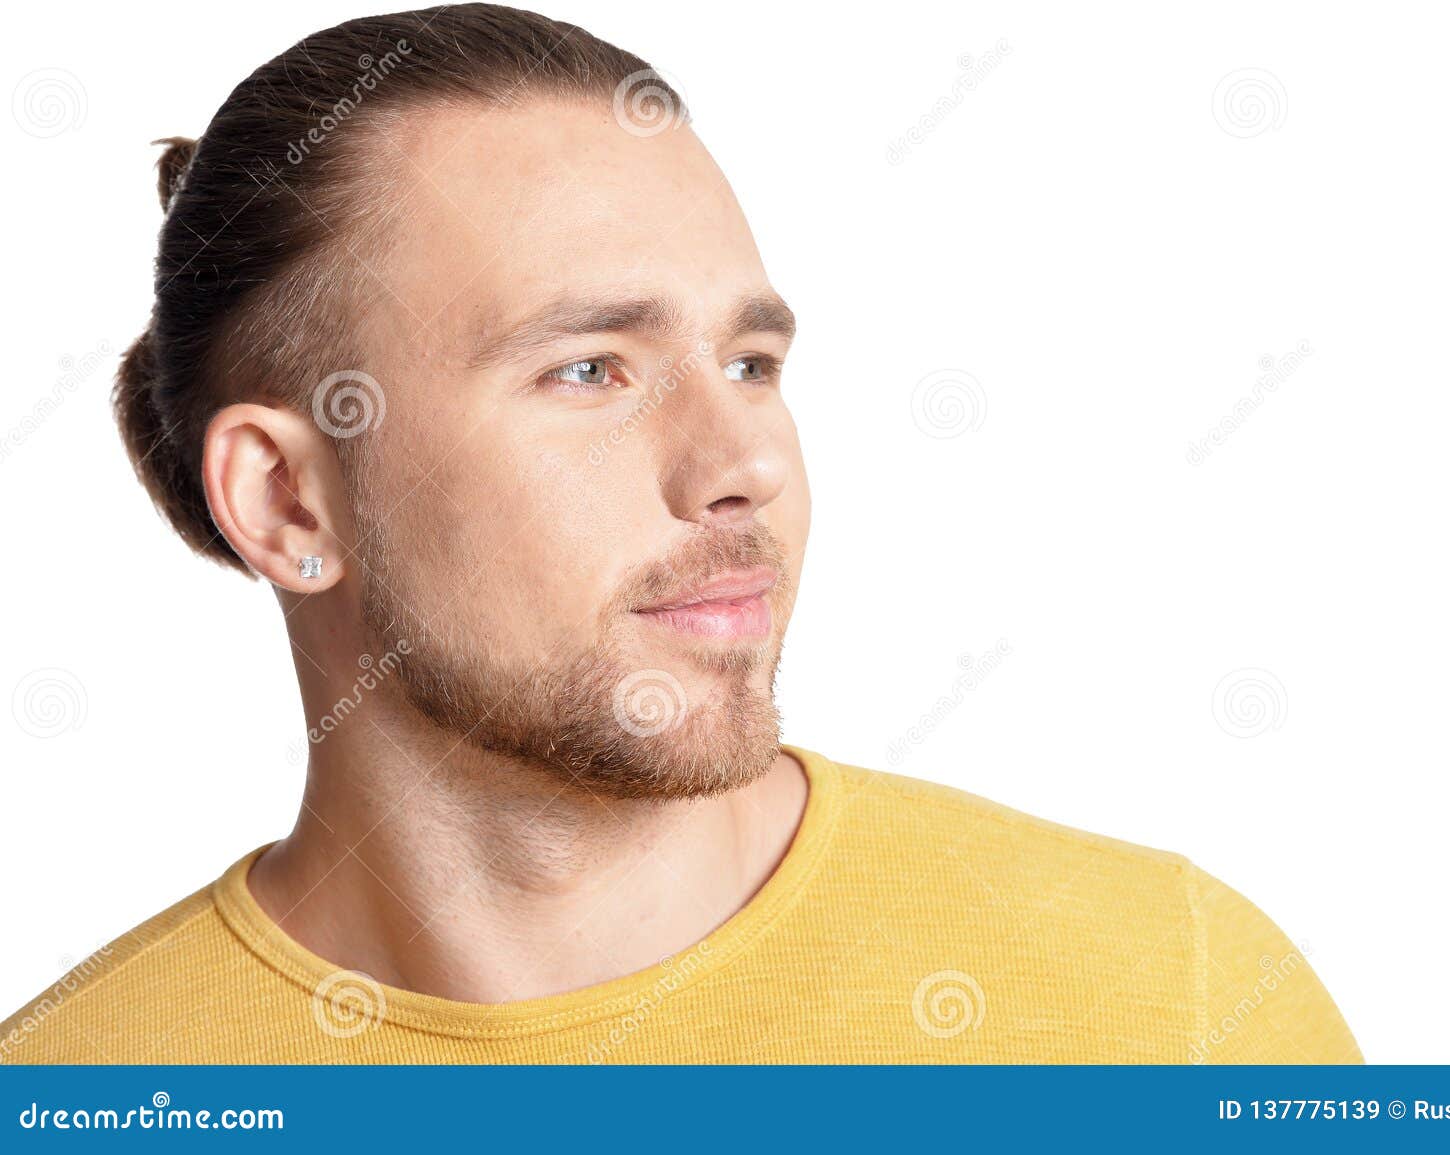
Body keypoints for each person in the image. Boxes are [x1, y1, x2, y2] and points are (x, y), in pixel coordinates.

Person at [0, 3, 1359, 1064]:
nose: (748, 464)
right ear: (290, 502)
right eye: (592, 370)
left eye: (754, 364)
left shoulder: (1166, 1009)